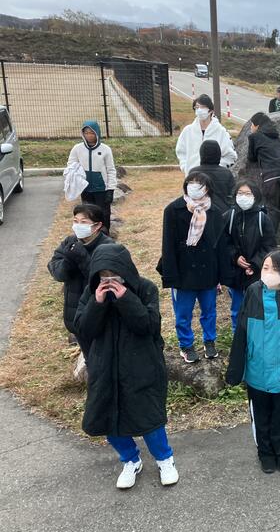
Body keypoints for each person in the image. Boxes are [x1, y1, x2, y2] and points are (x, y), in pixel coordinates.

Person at [74, 243, 178, 489]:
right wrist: (97, 303)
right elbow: (83, 329)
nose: (109, 280)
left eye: (114, 274)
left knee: (149, 419)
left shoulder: (145, 288)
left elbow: (149, 326)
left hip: (141, 366)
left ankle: (165, 459)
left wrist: (125, 299)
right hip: (104, 367)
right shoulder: (91, 293)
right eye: (103, 275)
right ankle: (130, 460)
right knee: (108, 418)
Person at [225, 250, 280, 474]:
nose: (269, 272)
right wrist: (236, 368)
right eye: (265, 267)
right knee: (260, 415)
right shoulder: (253, 292)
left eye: (275, 268)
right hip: (257, 370)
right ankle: (264, 452)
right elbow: (241, 331)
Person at [158, 171, 229, 363]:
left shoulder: (214, 211)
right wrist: (171, 275)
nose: (194, 186)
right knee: (183, 313)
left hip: (208, 271)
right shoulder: (173, 210)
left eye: (199, 183)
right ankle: (186, 345)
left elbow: (220, 245)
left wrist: (222, 275)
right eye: (191, 182)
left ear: (208, 189)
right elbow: (168, 246)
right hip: (183, 272)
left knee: (209, 310)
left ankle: (209, 341)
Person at [47, 204, 115, 356]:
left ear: (97, 225)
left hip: (99, 312)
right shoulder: (70, 242)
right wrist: (68, 261)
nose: (78, 226)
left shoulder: (107, 247)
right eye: (75, 221)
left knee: (101, 356)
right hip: (74, 311)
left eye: (83, 222)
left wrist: (82, 257)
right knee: (88, 354)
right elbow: (58, 273)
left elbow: (104, 279)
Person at [224, 180, 277, 333]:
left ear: (255, 196)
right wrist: (235, 257)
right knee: (237, 308)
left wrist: (254, 264)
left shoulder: (262, 219)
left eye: (248, 194)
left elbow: (269, 246)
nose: (243, 197)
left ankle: (256, 335)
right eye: (240, 193)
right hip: (235, 273)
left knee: (257, 307)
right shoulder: (229, 216)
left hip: (256, 273)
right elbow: (223, 242)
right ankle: (238, 336)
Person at [66, 121, 117, 233]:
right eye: (86, 133)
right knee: (88, 214)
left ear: (97, 133)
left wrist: (111, 189)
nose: (89, 135)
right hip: (85, 188)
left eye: (92, 133)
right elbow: (71, 165)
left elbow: (111, 170)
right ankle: (90, 235)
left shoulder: (105, 149)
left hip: (101, 188)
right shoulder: (77, 148)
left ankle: (105, 235)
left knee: (104, 213)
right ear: (83, 134)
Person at [247, 112, 280, 233]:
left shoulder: (254, 137)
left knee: (271, 209)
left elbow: (251, 158)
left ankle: (270, 239)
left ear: (257, 125)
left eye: (252, 124)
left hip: (271, 176)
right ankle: (279, 238)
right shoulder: (275, 136)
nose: (251, 127)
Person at [175, 94, 236, 174]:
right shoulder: (188, 131)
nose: (199, 110)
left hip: (213, 178)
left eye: (203, 107)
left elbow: (230, 156)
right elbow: (180, 151)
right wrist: (185, 167)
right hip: (192, 177)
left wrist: (218, 168)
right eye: (197, 107)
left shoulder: (221, 131)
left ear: (211, 110)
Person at [188, 139, 235, 213]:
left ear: (201, 154)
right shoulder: (226, 173)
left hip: (199, 210)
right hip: (222, 212)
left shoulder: (193, 172)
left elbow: (188, 194)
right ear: (218, 154)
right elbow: (232, 195)